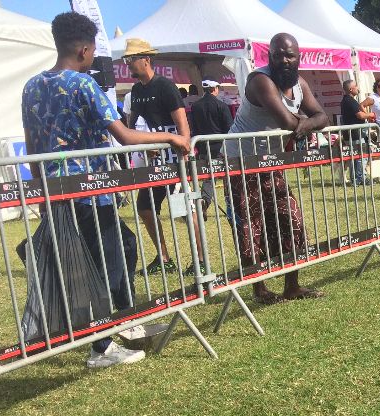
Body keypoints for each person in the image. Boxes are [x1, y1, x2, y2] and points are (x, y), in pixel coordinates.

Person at [21, 12, 189, 369]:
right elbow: (125, 136)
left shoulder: (32, 86)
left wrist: (39, 193)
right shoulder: (83, 84)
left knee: (119, 251)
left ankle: (123, 322)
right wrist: (172, 136)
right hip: (89, 193)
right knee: (107, 263)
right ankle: (104, 345)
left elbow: (32, 146)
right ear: (84, 49)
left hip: (56, 192)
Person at [224, 33, 329, 303]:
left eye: (289, 55)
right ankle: (259, 289)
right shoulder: (261, 81)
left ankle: (292, 285)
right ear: (268, 55)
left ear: (298, 58)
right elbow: (286, 121)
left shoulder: (300, 84)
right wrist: (304, 123)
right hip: (241, 165)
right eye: (278, 54)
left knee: (291, 219)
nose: (283, 60)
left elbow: (323, 117)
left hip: (272, 164)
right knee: (251, 226)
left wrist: (303, 124)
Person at [125, 38, 194, 274]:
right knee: (145, 207)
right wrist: (143, 145)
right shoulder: (135, 90)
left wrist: (184, 152)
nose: (128, 64)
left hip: (175, 156)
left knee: (187, 209)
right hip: (152, 159)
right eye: (126, 60)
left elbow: (182, 123)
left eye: (132, 59)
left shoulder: (165, 86)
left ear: (146, 59)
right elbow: (131, 125)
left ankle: (200, 260)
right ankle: (164, 258)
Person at [189, 79, 233, 228]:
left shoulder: (195, 106)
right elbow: (229, 128)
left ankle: (204, 201)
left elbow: (194, 128)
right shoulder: (221, 105)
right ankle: (228, 205)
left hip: (202, 147)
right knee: (229, 177)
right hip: (220, 147)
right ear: (215, 88)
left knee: (209, 178)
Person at [340, 79, 374, 185]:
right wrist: (371, 115)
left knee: (355, 157)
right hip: (355, 134)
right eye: (356, 86)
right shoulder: (350, 101)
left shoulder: (346, 100)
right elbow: (360, 115)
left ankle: (356, 178)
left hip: (351, 133)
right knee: (361, 156)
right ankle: (360, 178)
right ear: (351, 89)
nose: (358, 88)